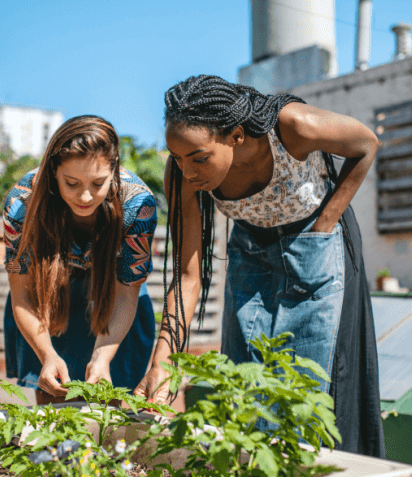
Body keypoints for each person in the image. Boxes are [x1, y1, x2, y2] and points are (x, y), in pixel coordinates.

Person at [133, 75, 385, 457]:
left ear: (235, 135)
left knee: (315, 389)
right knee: (245, 385)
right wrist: (162, 363)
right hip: (250, 251)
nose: (187, 172)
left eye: (199, 158)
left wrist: (326, 222)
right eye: (178, 158)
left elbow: (366, 144)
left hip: (317, 245)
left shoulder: (295, 127)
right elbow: (187, 278)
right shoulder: (184, 174)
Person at [2, 116, 157, 404]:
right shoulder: (21, 204)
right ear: (53, 173)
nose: (85, 196)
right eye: (71, 183)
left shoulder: (138, 205)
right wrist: (47, 355)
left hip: (116, 304)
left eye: (98, 183)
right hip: (49, 301)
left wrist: (101, 357)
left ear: (114, 171)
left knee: (111, 413)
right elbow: (22, 294)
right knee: (55, 406)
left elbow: (126, 294)